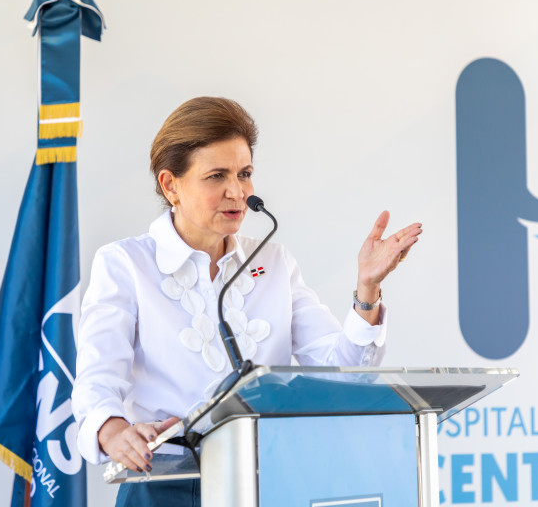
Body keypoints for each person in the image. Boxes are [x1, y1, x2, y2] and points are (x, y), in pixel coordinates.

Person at [71, 96, 422, 506]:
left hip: (268, 482)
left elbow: (343, 374)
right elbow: (96, 380)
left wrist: (367, 288)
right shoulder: (125, 264)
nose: (237, 192)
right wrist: (113, 430)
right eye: (216, 176)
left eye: (245, 173)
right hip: (165, 485)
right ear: (170, 185)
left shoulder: (273, 262)